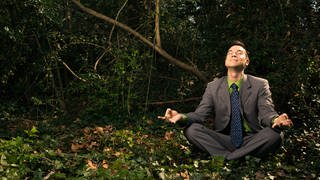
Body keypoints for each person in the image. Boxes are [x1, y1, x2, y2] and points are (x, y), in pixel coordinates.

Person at [158, 40, 293, 160]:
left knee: (275, 135)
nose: (233, 54)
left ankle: (226, 157)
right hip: (223, 139)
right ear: (225, 60)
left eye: (239, 52)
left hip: (252, 139)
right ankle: (239, 156)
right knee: (191, 129)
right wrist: (180, 116)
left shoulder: (260, 84)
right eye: (230, 52)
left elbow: (266, 112)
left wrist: (275, 120)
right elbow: (200, 115)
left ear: (247, 61)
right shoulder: (213, 87)